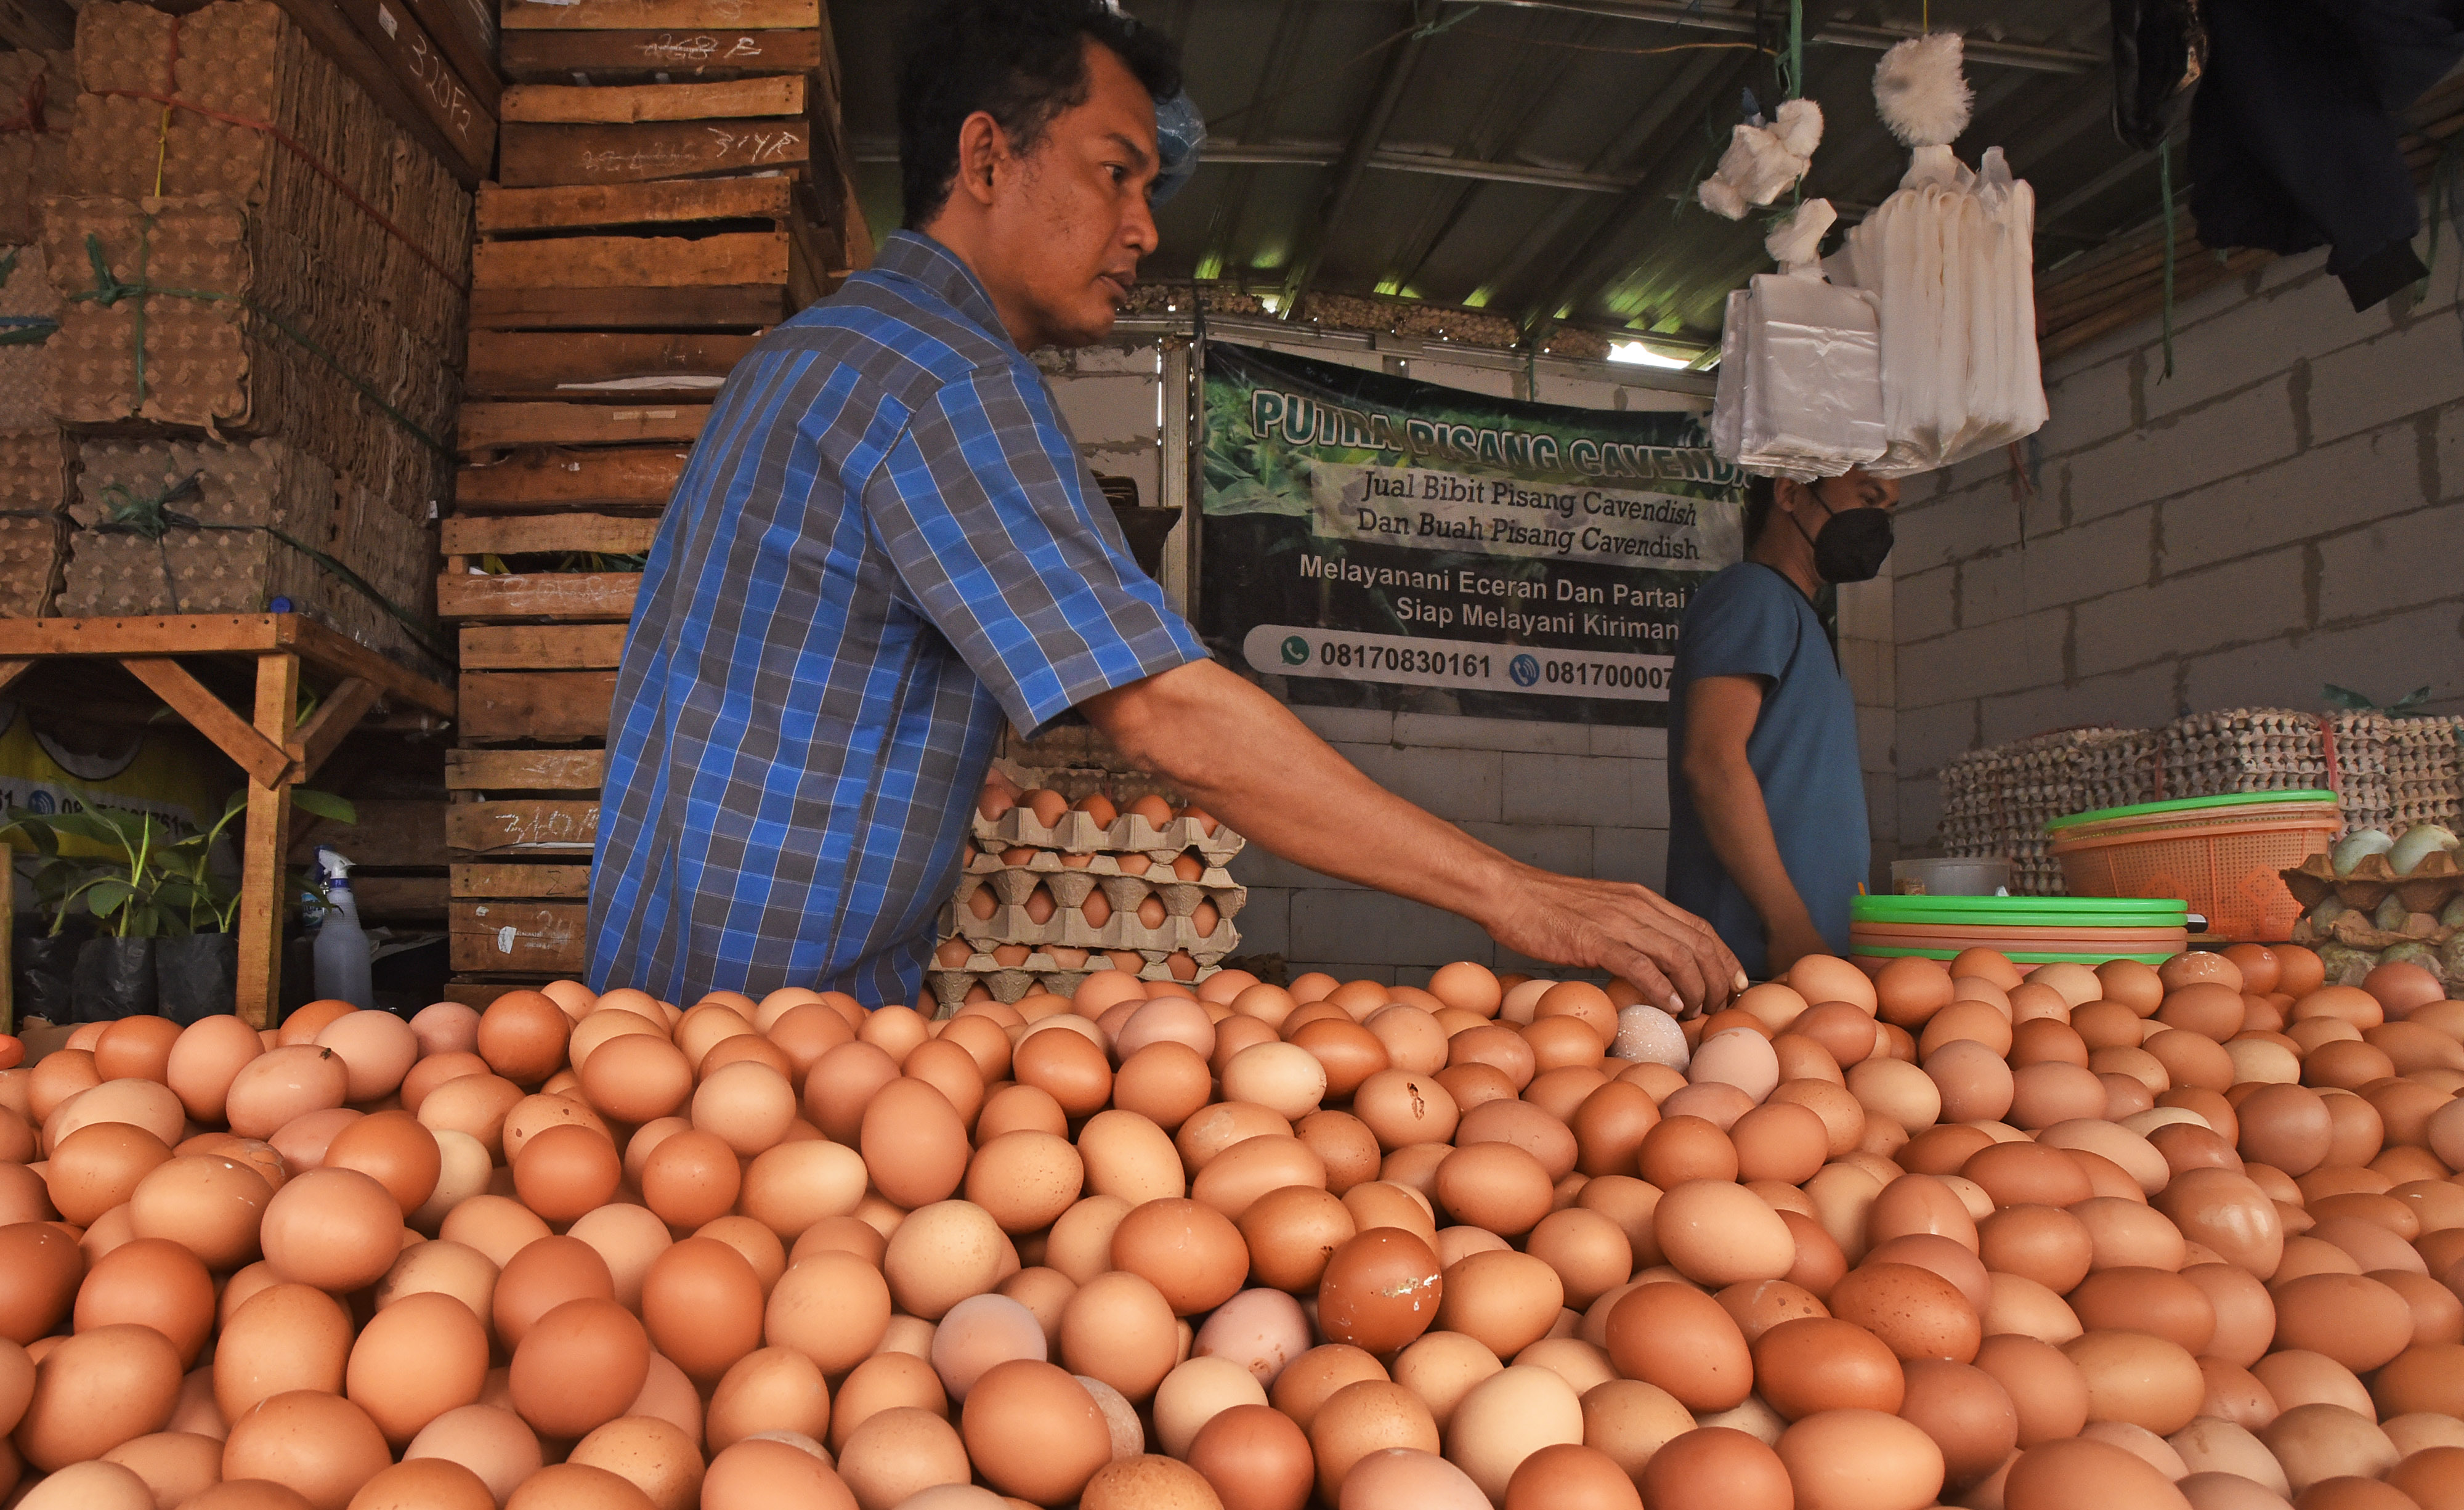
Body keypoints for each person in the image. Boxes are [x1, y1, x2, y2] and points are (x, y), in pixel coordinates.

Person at [586, 0, 1742, 1016]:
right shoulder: (946, 378)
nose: (1146, 225)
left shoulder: (819, 349)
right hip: (760, 1023)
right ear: (987, 159)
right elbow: (1169, 717)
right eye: (1115, 172)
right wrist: (1517, 893)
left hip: (681, 985)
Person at [1665, 468, 1899, 980]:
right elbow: (1711, 762)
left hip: (1806, 959)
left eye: (1888, 509)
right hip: (1755, 957)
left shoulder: (1802, 619)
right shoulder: (1752, 593)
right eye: (1868, 498)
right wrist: (1788, 923)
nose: (1878, 522)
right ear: (1790, 492)